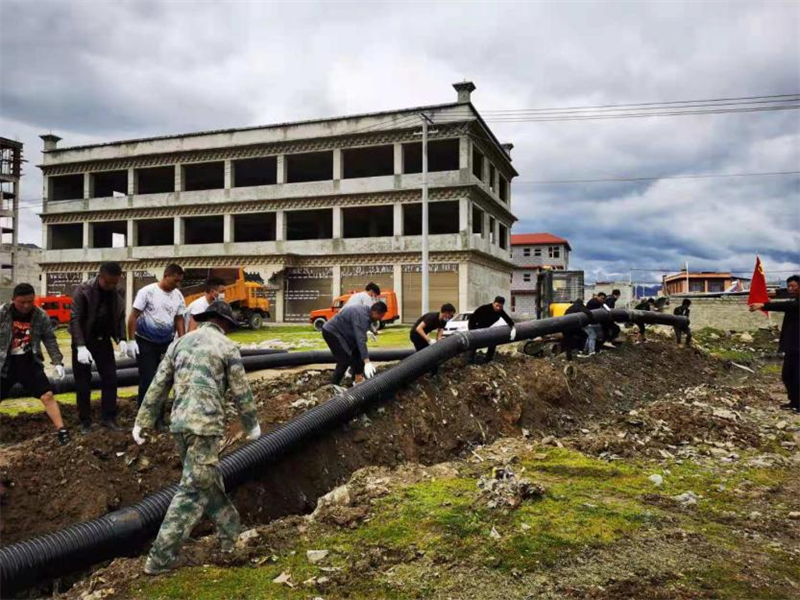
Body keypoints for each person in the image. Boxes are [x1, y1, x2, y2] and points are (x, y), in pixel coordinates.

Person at [132, 300, 260, 575]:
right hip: (205, 427)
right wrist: (252, 426)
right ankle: (160, 558)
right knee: (192, 490)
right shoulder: (227, 347)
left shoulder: (179, 343)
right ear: (224, 323)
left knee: (206, 481)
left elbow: (158, 383)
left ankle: (230, 537)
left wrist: (143, 420)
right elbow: (241, 391)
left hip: (180, 425)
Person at [0, 283, 69, 444]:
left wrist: (57, 362)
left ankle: (62, 431)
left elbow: (50, 339)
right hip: (5, 363)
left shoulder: (40, 315)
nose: (26, 306)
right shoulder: (3, 313)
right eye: (22, 302)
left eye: (30, 302)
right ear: (13, 300)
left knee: (47, 395)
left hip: (29, 362)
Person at [70, 262, 128, 433]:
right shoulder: (84, 290)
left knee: (110, 378)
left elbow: (120, 316)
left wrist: (122, 338)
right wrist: (80, 346)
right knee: (83, 382)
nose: (111, 286)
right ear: (100, 277)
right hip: (84, 341)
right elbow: (75, 319)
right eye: (108, 282)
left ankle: (109, 418)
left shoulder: (118, 291)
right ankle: (85, 421)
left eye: (115, 282)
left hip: (103, 341)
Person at [127, 264, 186, 407]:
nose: (177, 284)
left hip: (165, 343)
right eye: (174, 281)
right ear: (166, 276)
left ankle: (158, 415)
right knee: (147, 379)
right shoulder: (147, 292)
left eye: (179, 281)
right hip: (146, 342)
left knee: (164, 379)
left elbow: (179, 319)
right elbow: (133, 316)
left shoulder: (177, 295)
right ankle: (144, 414)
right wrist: (131, 340)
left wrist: (182, 341)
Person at [750, 275, 800, 413]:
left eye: (793, 287)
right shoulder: (794, 297)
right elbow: (783, 294)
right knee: (787, 375)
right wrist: (771, 293)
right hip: (792, 345)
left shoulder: (796, 302)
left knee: (797, 376)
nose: (790, 289)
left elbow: (787, 305)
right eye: (789, 286)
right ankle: (794, 401)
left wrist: (764, 305)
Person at [322, 301, 388, 385]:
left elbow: (367, 324)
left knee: (357, 353)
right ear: (375, 312)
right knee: (344, 359)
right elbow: (360, 339)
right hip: (332, 332)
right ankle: (333, 386)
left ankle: (357, 379)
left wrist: (373, 331)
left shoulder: (367, 311)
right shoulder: (362, 315)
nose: (381, 319)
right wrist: (367, 362)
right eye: (381, 316)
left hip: (344, 333)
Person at [410, 303, 456, 375]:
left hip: (423, 336)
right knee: (425, 354)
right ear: (446, 313)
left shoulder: (443, 321)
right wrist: (429, 340)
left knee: (433, 353)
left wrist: (440, 343)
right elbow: (418, 328)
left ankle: (433, 373)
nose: (451, 318)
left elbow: (439, 334)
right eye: (451, 315)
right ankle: (420, 372)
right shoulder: (432, 317)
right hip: (416, 335)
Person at [467, 296, 516, 364]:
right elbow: (472, 319)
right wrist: (472, 331)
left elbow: (508, 319)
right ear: (493, 303)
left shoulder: (500, 311)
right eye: (497, 306)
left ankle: (488, 359)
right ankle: (470, 361)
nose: (498, 308)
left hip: (486, 329)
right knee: (474, 343)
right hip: (476, 327)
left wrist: (513, 328)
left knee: (493, 341)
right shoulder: (484, 308)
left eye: (500, 306)